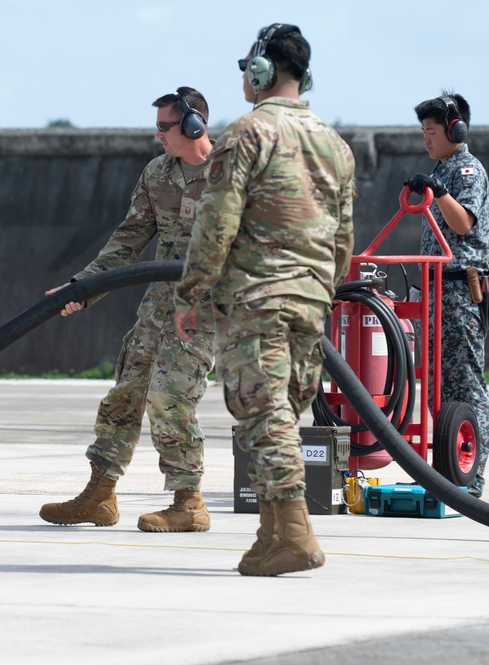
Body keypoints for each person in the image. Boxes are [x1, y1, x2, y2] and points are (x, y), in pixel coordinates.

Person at [173, 24, 356, 576]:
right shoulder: (335, 144)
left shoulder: (247, 134)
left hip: (258, 297)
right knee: (282, 409)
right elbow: (343, 238)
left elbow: (217, 222)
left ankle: (296, 532)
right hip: (310, 299)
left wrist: (192, 292)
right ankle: (272, 531)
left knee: (262, 410)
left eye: (247, 68)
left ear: (261, 71)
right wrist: (320, 289)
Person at [39, 87, 217, 533]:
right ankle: (99, 495)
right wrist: (83, 288)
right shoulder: (157, 173)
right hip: (158, 303)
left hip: (205, 306)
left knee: (169, 394)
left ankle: (188, 502)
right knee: (126, 391)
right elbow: (128, 240)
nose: (157, 134)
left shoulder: (231, 176)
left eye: (164, 126)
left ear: (194, 125)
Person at [404, 92, 489, 498]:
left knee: (466, 385)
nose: (426, 138)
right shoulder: (442, 170)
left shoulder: (467, 171)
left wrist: (438, 190)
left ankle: (469, 478)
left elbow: (462, 225)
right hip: (436, 289)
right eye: (423, 131)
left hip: (459, 289)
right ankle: (445, 473)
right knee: (436, 385)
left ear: (454, 129)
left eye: (432, 131)